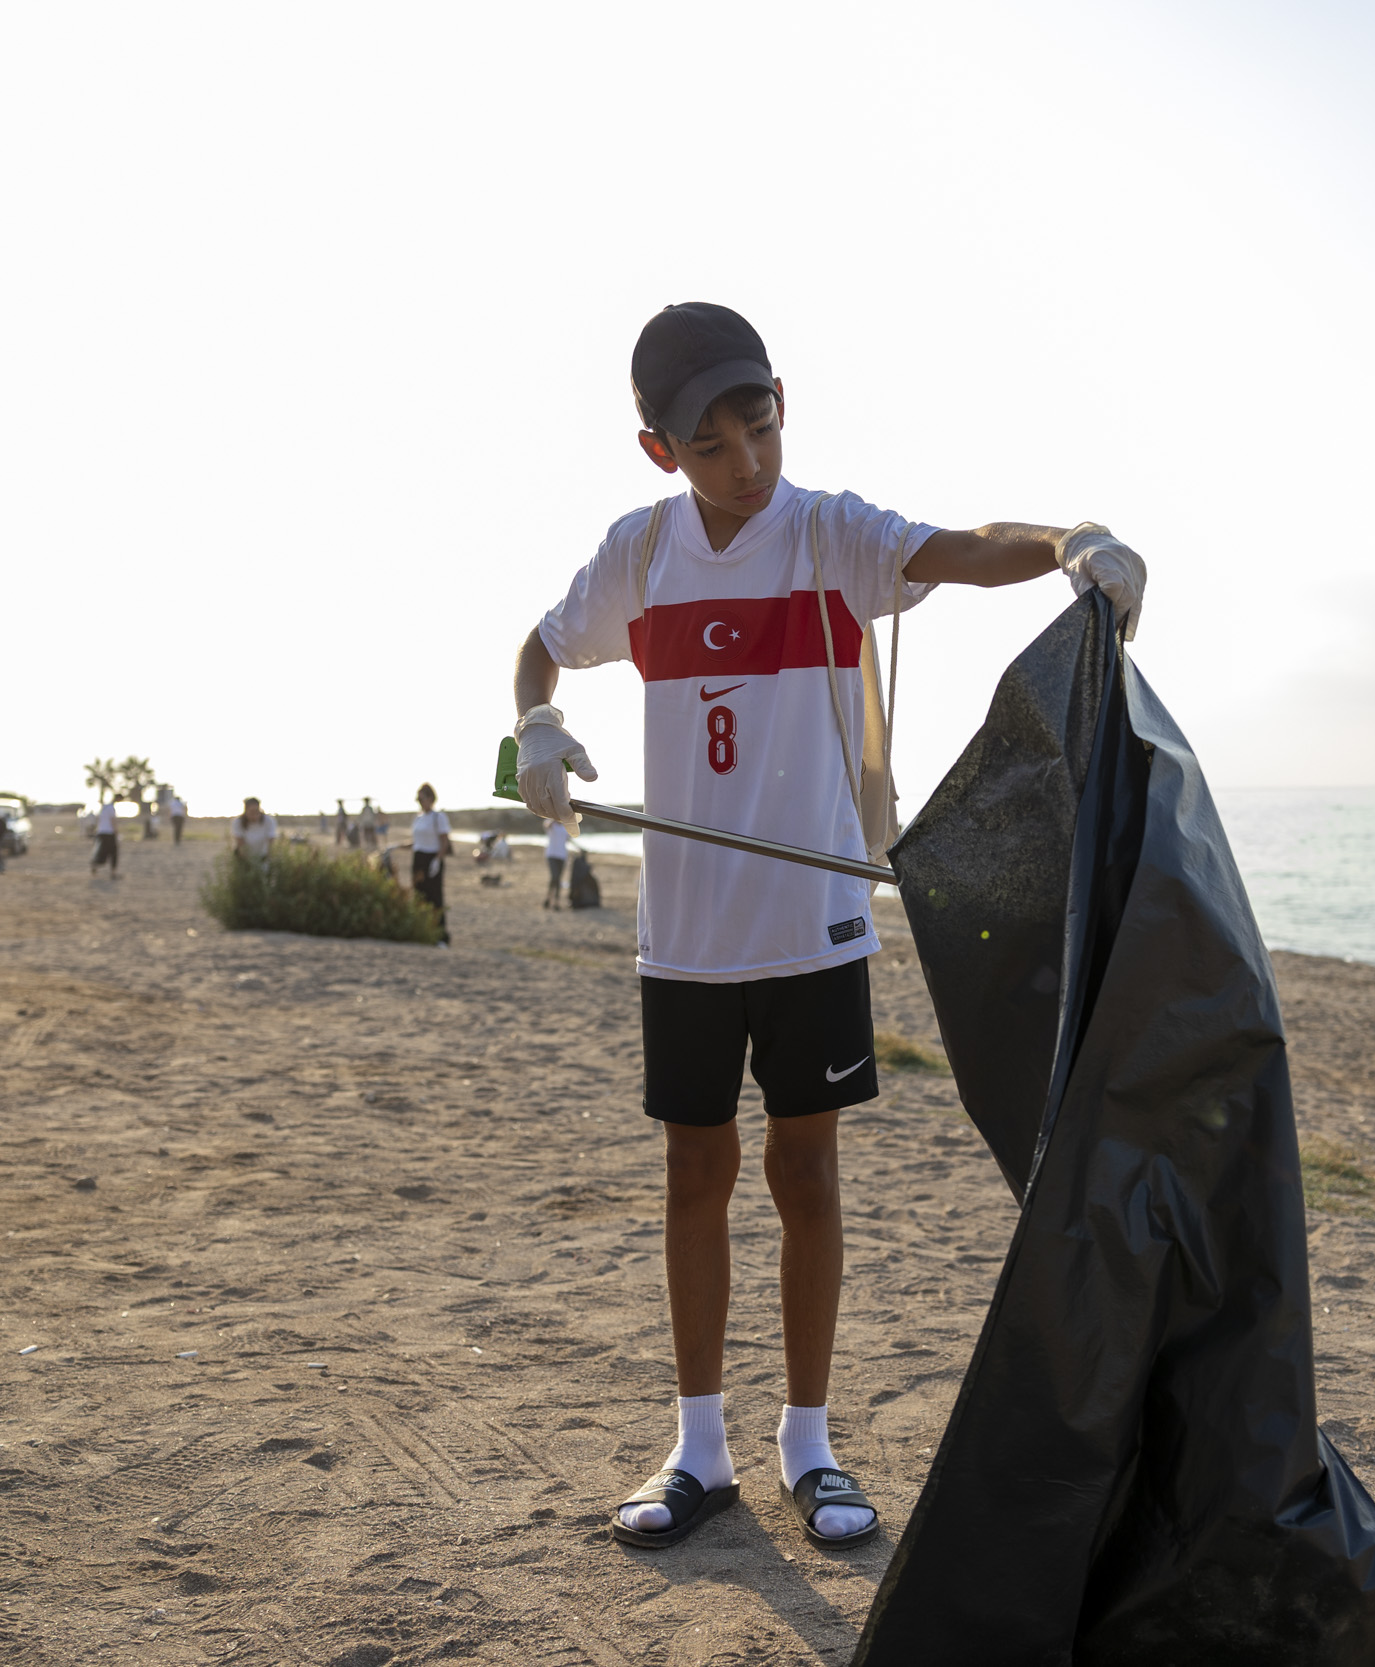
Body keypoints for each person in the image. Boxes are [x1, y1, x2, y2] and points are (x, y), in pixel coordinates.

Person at [511, 302, 1145, 1552]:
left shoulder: (828, 534)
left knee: (807, 1174)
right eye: (713, 443)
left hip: (813, 925)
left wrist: (1076, 539)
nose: (747, 458)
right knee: (696, 1173)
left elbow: (966, 547)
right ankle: (700, 1447)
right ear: (660, 452)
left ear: (780, 400)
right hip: (686, 934)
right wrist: (533, 726)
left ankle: (811, 1441)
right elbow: (537, 649)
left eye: (761, 422)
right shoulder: (638, 557)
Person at [409, 783, 451, 911]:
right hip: (418, 859)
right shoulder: (418, 818)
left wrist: (437, 860)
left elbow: (444, 842)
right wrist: (396, 846)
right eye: (418, 799)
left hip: (432, 858)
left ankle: (438, 929)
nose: (420, 802)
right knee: (418, 894)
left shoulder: (438, 817)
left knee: (434, 896)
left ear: (430, 798)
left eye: (422, 799)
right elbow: (417, 842)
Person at [543, 817, 571, 911]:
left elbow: (569, 839)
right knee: (555, 876)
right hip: (551, 855)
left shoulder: (565, 827)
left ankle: (555, 901)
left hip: (562, 855)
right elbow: (546, 826)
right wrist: (554, 818)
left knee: (558, 879)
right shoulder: (551, 824)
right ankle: (549, 897)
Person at [89, 798, 120, 875]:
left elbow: (98, 820)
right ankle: (113, 872)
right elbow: (113, 820)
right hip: (109, 833)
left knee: (101, 851)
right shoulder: (111, 808)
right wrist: (116, 832)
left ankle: (94, 865)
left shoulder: (103, 808)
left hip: (100, 833)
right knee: (113, 852)